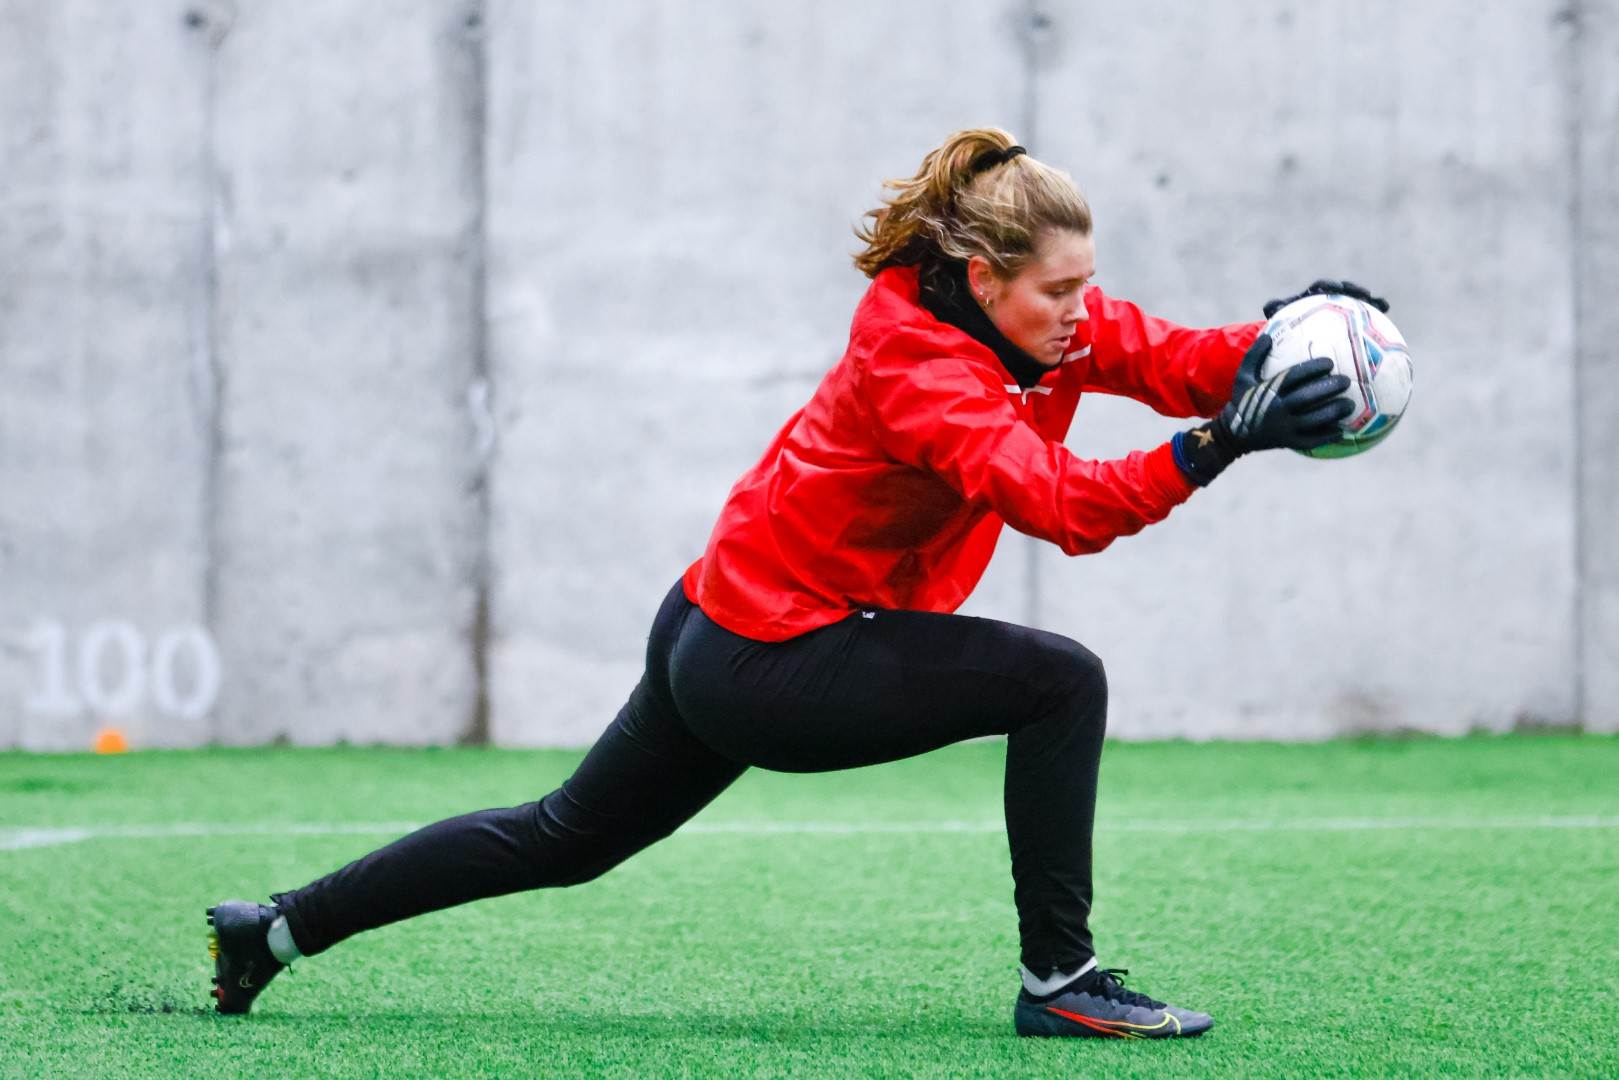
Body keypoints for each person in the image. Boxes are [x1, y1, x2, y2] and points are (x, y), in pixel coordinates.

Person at [206, 127, 1380, 1039]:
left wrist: (1284, 338)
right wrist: (1218, 445)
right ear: (981, 280)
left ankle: (276, 930)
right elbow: (1062, 507)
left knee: (563, 837)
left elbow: (1170, 354)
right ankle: (1059, 983)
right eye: (1057, 292)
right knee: (1060, 682)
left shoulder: (1039, 317)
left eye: (1087, 285)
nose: (1082, 313)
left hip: (715, 615)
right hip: (771, 657)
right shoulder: (919, 367)